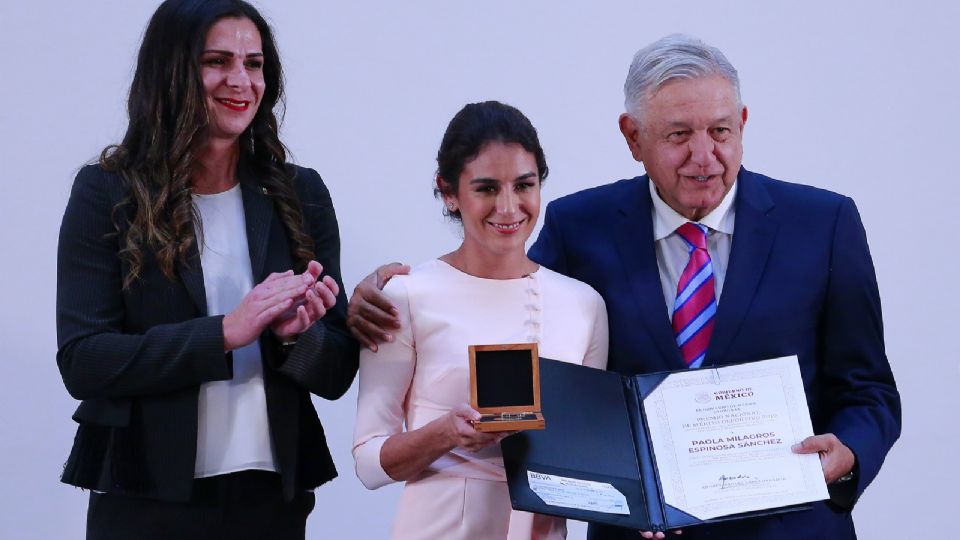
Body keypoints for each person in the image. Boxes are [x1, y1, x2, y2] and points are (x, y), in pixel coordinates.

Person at [348, 35, 900, 540]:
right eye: (679, 135)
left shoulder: (824, 225)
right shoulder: (578, 227)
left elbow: (869, 388)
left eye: (721, 131)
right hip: (635, 532)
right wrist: (380, 294)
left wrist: (848, 450)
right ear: (632, 137)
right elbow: (503, 305)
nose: (704, 156)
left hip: (788, 529)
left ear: (744, 122)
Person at [55, 1, 358, 538]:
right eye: (217, 61)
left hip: (270, 497)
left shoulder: (301, 193)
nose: (241, 80)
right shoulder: (106, 192)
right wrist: (223, 333)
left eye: (255, 63)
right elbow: (84, 362)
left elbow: (336, 373)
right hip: (144, 493)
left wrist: (293, 340)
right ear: (170, 71)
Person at [351, 101, 609, 539]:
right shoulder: (407, 295)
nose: (508, 208)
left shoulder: (583, 304)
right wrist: (445, 433)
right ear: (449, 192)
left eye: (524, 185)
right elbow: (368, 462)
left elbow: (587, 453)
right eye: (487, 188)